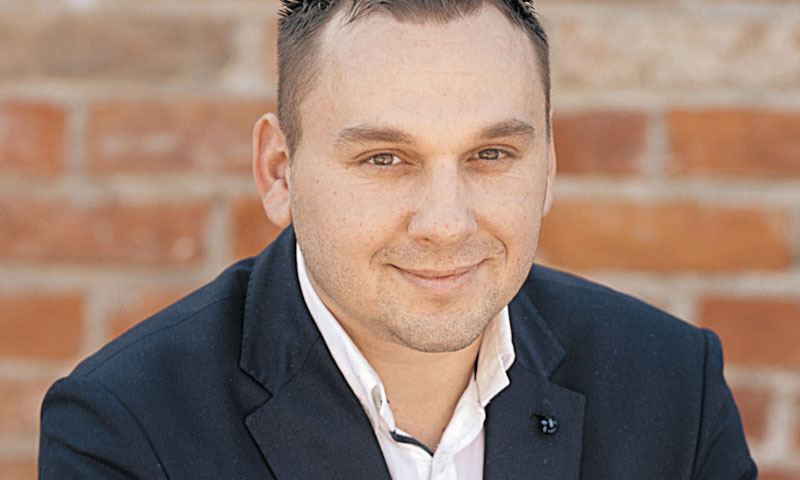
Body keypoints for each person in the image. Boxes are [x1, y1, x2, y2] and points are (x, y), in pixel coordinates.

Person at [39, 1, 757, 478]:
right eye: (385, 159)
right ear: (279, 172)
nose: (447, 223)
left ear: (547, 169)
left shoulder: (673, 386)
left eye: (491, 155)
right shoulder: (128, 426)